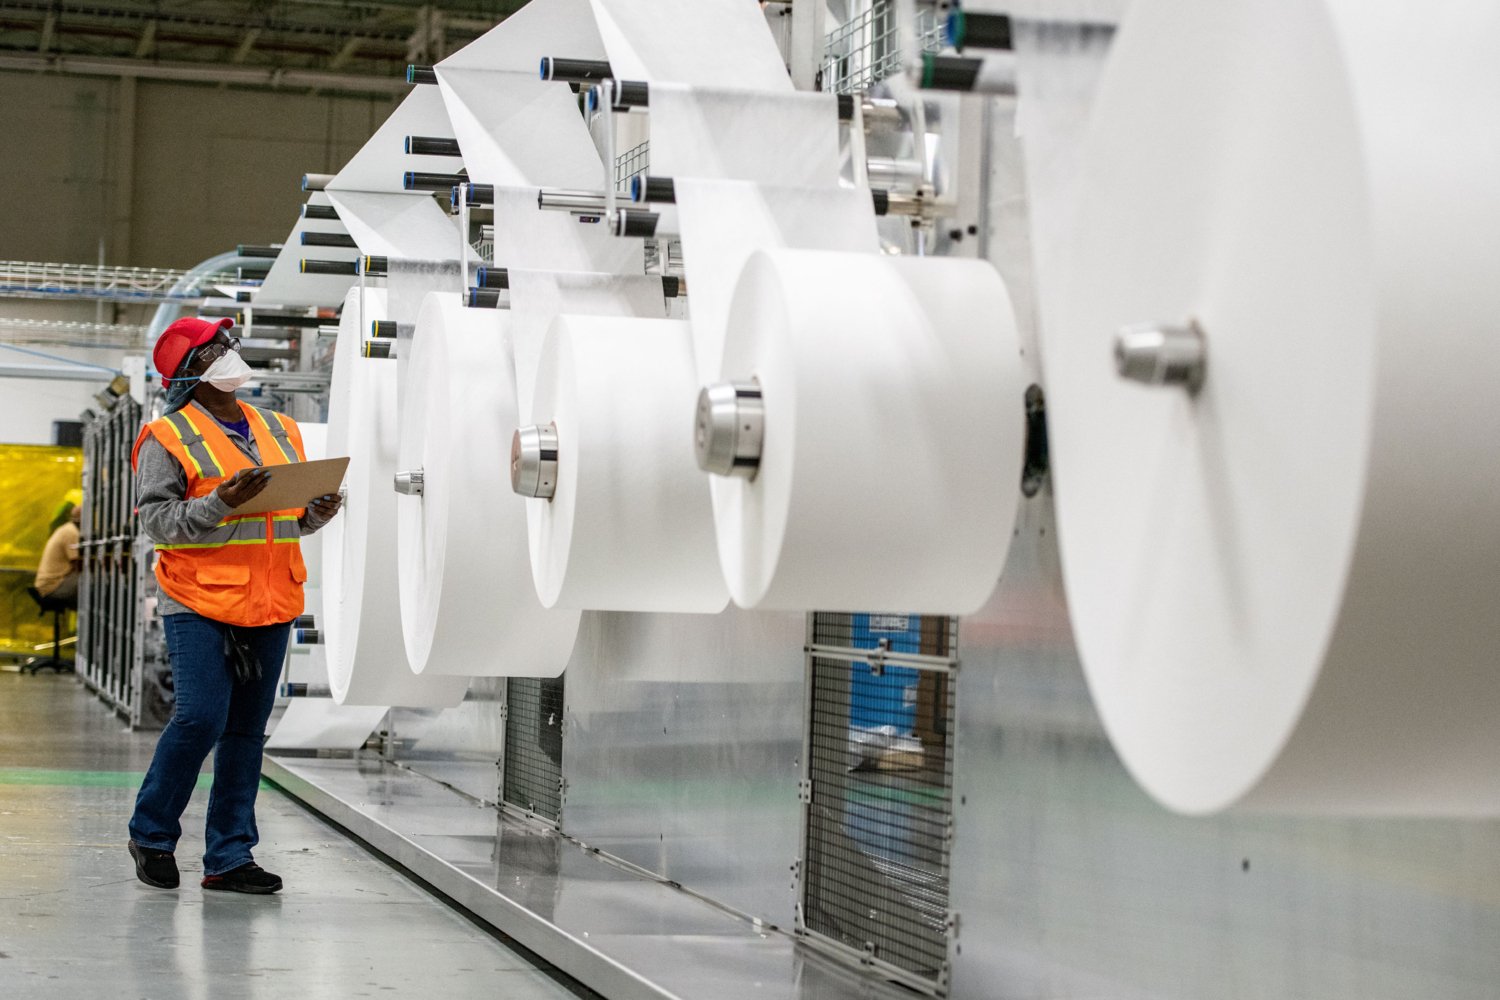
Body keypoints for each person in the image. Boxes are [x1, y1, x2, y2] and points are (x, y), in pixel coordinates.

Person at [126, 315, 342, 895]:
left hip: (271, 597)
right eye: (214, 348)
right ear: (190, 371)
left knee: (246, 731)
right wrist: (218, 503)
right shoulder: (166, 438)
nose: (229, 352)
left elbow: (286, 517)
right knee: (200, 717)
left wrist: (314, 515)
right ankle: (151, 834)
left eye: (228, 343)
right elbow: (157, 523)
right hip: (198, 597)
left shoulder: (281, 429)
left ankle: (228, 858)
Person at [34, 502, 82, 604]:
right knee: (93, 583)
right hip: (52, 586)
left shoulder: (66, 529)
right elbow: (78, 565)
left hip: (45, 586)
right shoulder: (72, 532)